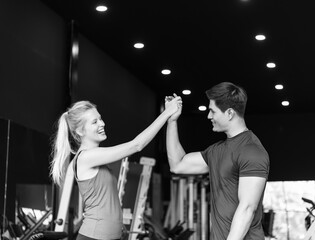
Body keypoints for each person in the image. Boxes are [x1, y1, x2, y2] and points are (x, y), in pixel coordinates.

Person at [50, 97, 182, 240]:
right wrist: (167, 113)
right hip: (93, 237)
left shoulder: (97, 158)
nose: (102, 123)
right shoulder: (86, 158)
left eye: (100, 119)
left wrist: (118, 224)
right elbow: (137, 145)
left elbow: (106, 200)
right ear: (80, 132)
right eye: (95, 122)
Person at [165, 82, 270, 240]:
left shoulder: (252, 151)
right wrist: (172, 121)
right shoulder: (216, 151)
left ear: (229, 113)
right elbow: (177, 165)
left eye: (212, 111)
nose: (208, 116)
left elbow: (248, 208)